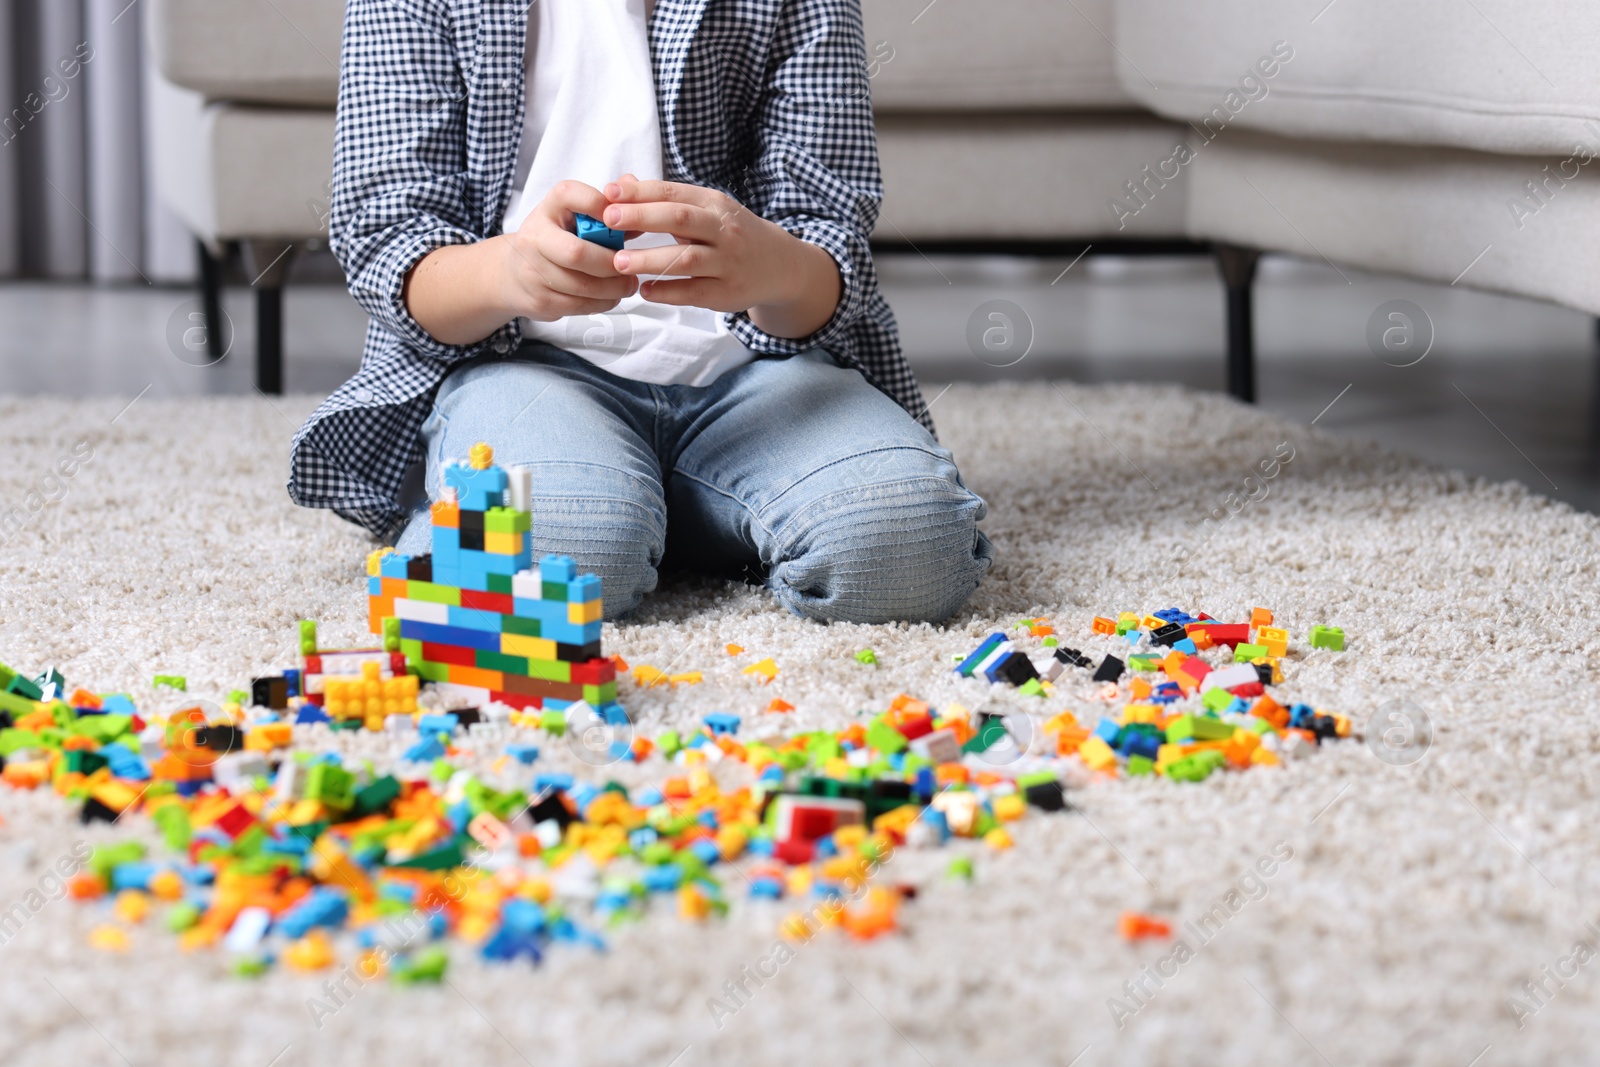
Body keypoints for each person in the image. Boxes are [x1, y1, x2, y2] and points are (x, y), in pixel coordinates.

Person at [289, 0, 992, 624]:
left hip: (762, 371)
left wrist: (772, 267)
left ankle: (646, 507)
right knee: (562, 547)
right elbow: (390, 243)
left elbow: (830, 248)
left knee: (906, 546)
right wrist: (509, 272)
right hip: (523, 367)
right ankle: (620, 503)